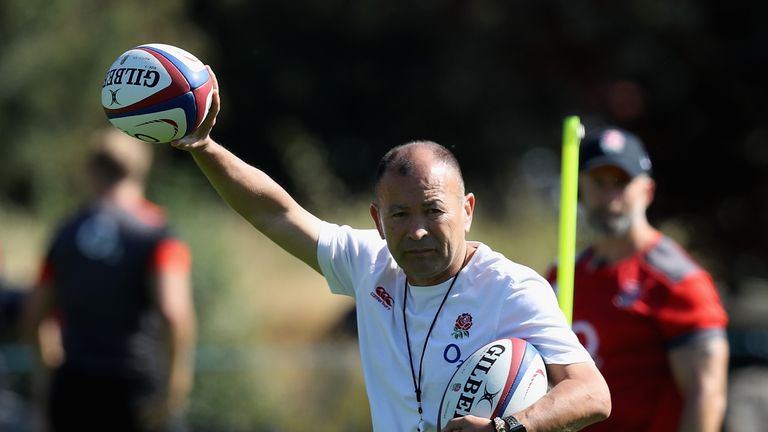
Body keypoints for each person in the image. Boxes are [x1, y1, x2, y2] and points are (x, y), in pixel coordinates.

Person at [170, 67, 610, 432]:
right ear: (378, 220)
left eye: (433, 210)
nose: (417, 230)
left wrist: (509, 427)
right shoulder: (368, 264)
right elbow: (276, 213)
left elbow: (591, 393)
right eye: (400, 215)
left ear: (467, 210)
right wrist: (203, 147)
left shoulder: (512, 288)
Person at [546, 127, 729, 432]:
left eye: (621, 182)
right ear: (581, 188)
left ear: (648, 191)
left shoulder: (678, 281)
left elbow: (707, 394)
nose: (609, 196)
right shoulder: (561, 275)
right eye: (598, 182)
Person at [22, 128, 197, 432]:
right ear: (142, 170)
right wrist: (175, 388)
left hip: (74, 385)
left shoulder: (65, 232)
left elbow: (34, 316)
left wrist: (49, 368)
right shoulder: (157, 233)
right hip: (135, 386)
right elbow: (174, 314)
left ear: (91, 170)